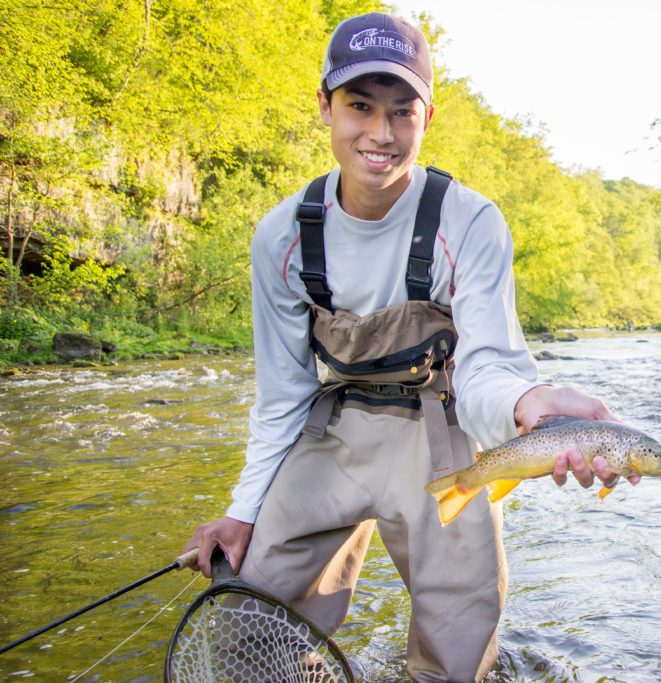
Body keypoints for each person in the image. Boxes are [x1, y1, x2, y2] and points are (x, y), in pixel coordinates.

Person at [183, 11, 634, 682]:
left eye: (402, 111)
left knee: (457, 648)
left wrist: (529, 403)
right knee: (252, 602)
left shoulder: (470, 220)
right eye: (359, 106)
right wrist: (242, 510)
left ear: (427, 115)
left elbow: (486, 370)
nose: (381, 134)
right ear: (325, 107)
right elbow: (282, 395)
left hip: (441, 431)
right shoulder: (279, 237)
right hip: (332, 434)